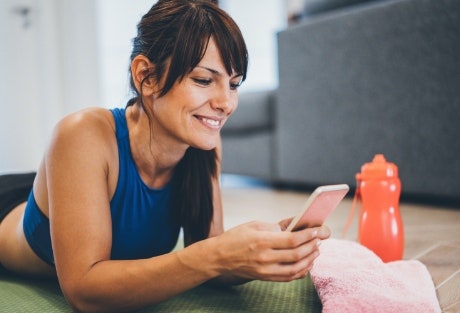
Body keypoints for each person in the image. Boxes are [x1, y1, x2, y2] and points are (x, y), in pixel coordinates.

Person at [0, 0, 330, 312]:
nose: (226, 103)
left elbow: (209, 254)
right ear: (146, 76)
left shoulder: (204, 146)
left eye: (234, 84)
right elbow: (84, 291)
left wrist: (260, 250)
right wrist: (215, 254)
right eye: (204, 80)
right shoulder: (80, 134)